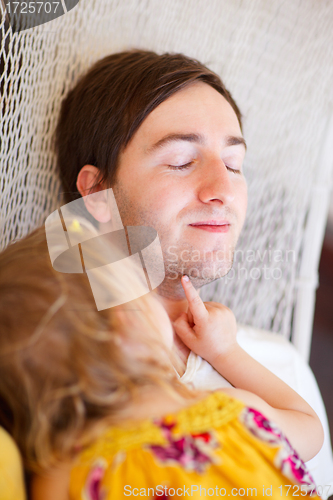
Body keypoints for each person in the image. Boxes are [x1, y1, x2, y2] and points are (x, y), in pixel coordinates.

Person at [52, 49, 333, 488]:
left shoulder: (278, 367)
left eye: (235, 165)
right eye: (182, 162)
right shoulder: (44, 368)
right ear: (96, 192)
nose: (224, 189)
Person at [0, 225, 323, 499]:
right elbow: (308, 428)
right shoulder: (230, 414)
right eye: (143, 291)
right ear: (125, 321)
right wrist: (225, 352)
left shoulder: (61, 479)